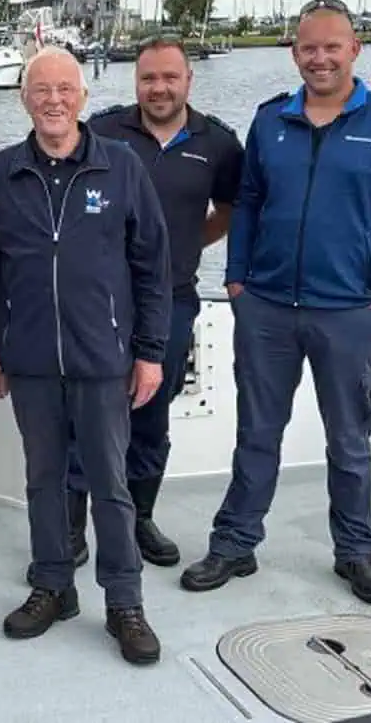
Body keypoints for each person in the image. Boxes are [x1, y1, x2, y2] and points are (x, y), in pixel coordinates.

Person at [182, 0, 371, 605]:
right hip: (265, 306)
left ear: (354, 50)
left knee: (349, 440)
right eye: (308, 47)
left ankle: (355, 552)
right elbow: (249, 205)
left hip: (349, 312)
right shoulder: (270, 121)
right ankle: (235, 543)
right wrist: (237, 283)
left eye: (331, 46)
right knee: (257, 432)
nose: (319, 58)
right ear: (295, 53)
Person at [0, 46, 170, 665]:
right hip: (29, 358)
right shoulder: (4, 172)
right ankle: (52, 586)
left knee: (110, 484)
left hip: (102, 356)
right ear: (23, 99)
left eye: (65, 89)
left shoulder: (121, 167)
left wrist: (150, 352)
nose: (53, 100)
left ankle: (124, 601)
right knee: (42, 480)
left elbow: (151, 265)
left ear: (83, 97)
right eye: (40, 90)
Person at [65, 37, 244, 569]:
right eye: (148, 79)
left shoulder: (219, 143)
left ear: (189, 79)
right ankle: (73, 529)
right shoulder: (100, 131)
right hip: (100, 302)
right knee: (86, 415)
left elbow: (230, 211)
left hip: (172, 300)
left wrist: (182, 245)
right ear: (135, 81)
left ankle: (139, 518)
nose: (158, 88)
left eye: (169, 78)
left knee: (151, 414)